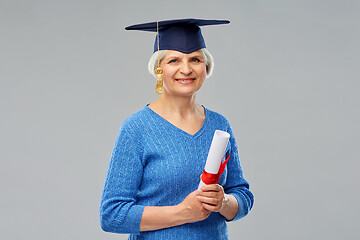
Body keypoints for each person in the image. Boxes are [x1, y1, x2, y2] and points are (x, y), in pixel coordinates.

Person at [100, 18, 254, 240]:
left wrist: (224, 202)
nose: (186, 69)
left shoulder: (219, 125)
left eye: (195, 59)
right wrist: (183, 212)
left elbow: (242, 195)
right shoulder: (137, 129)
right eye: (174, 60)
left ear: (206, 67)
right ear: (159, 68)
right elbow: (112, 215)